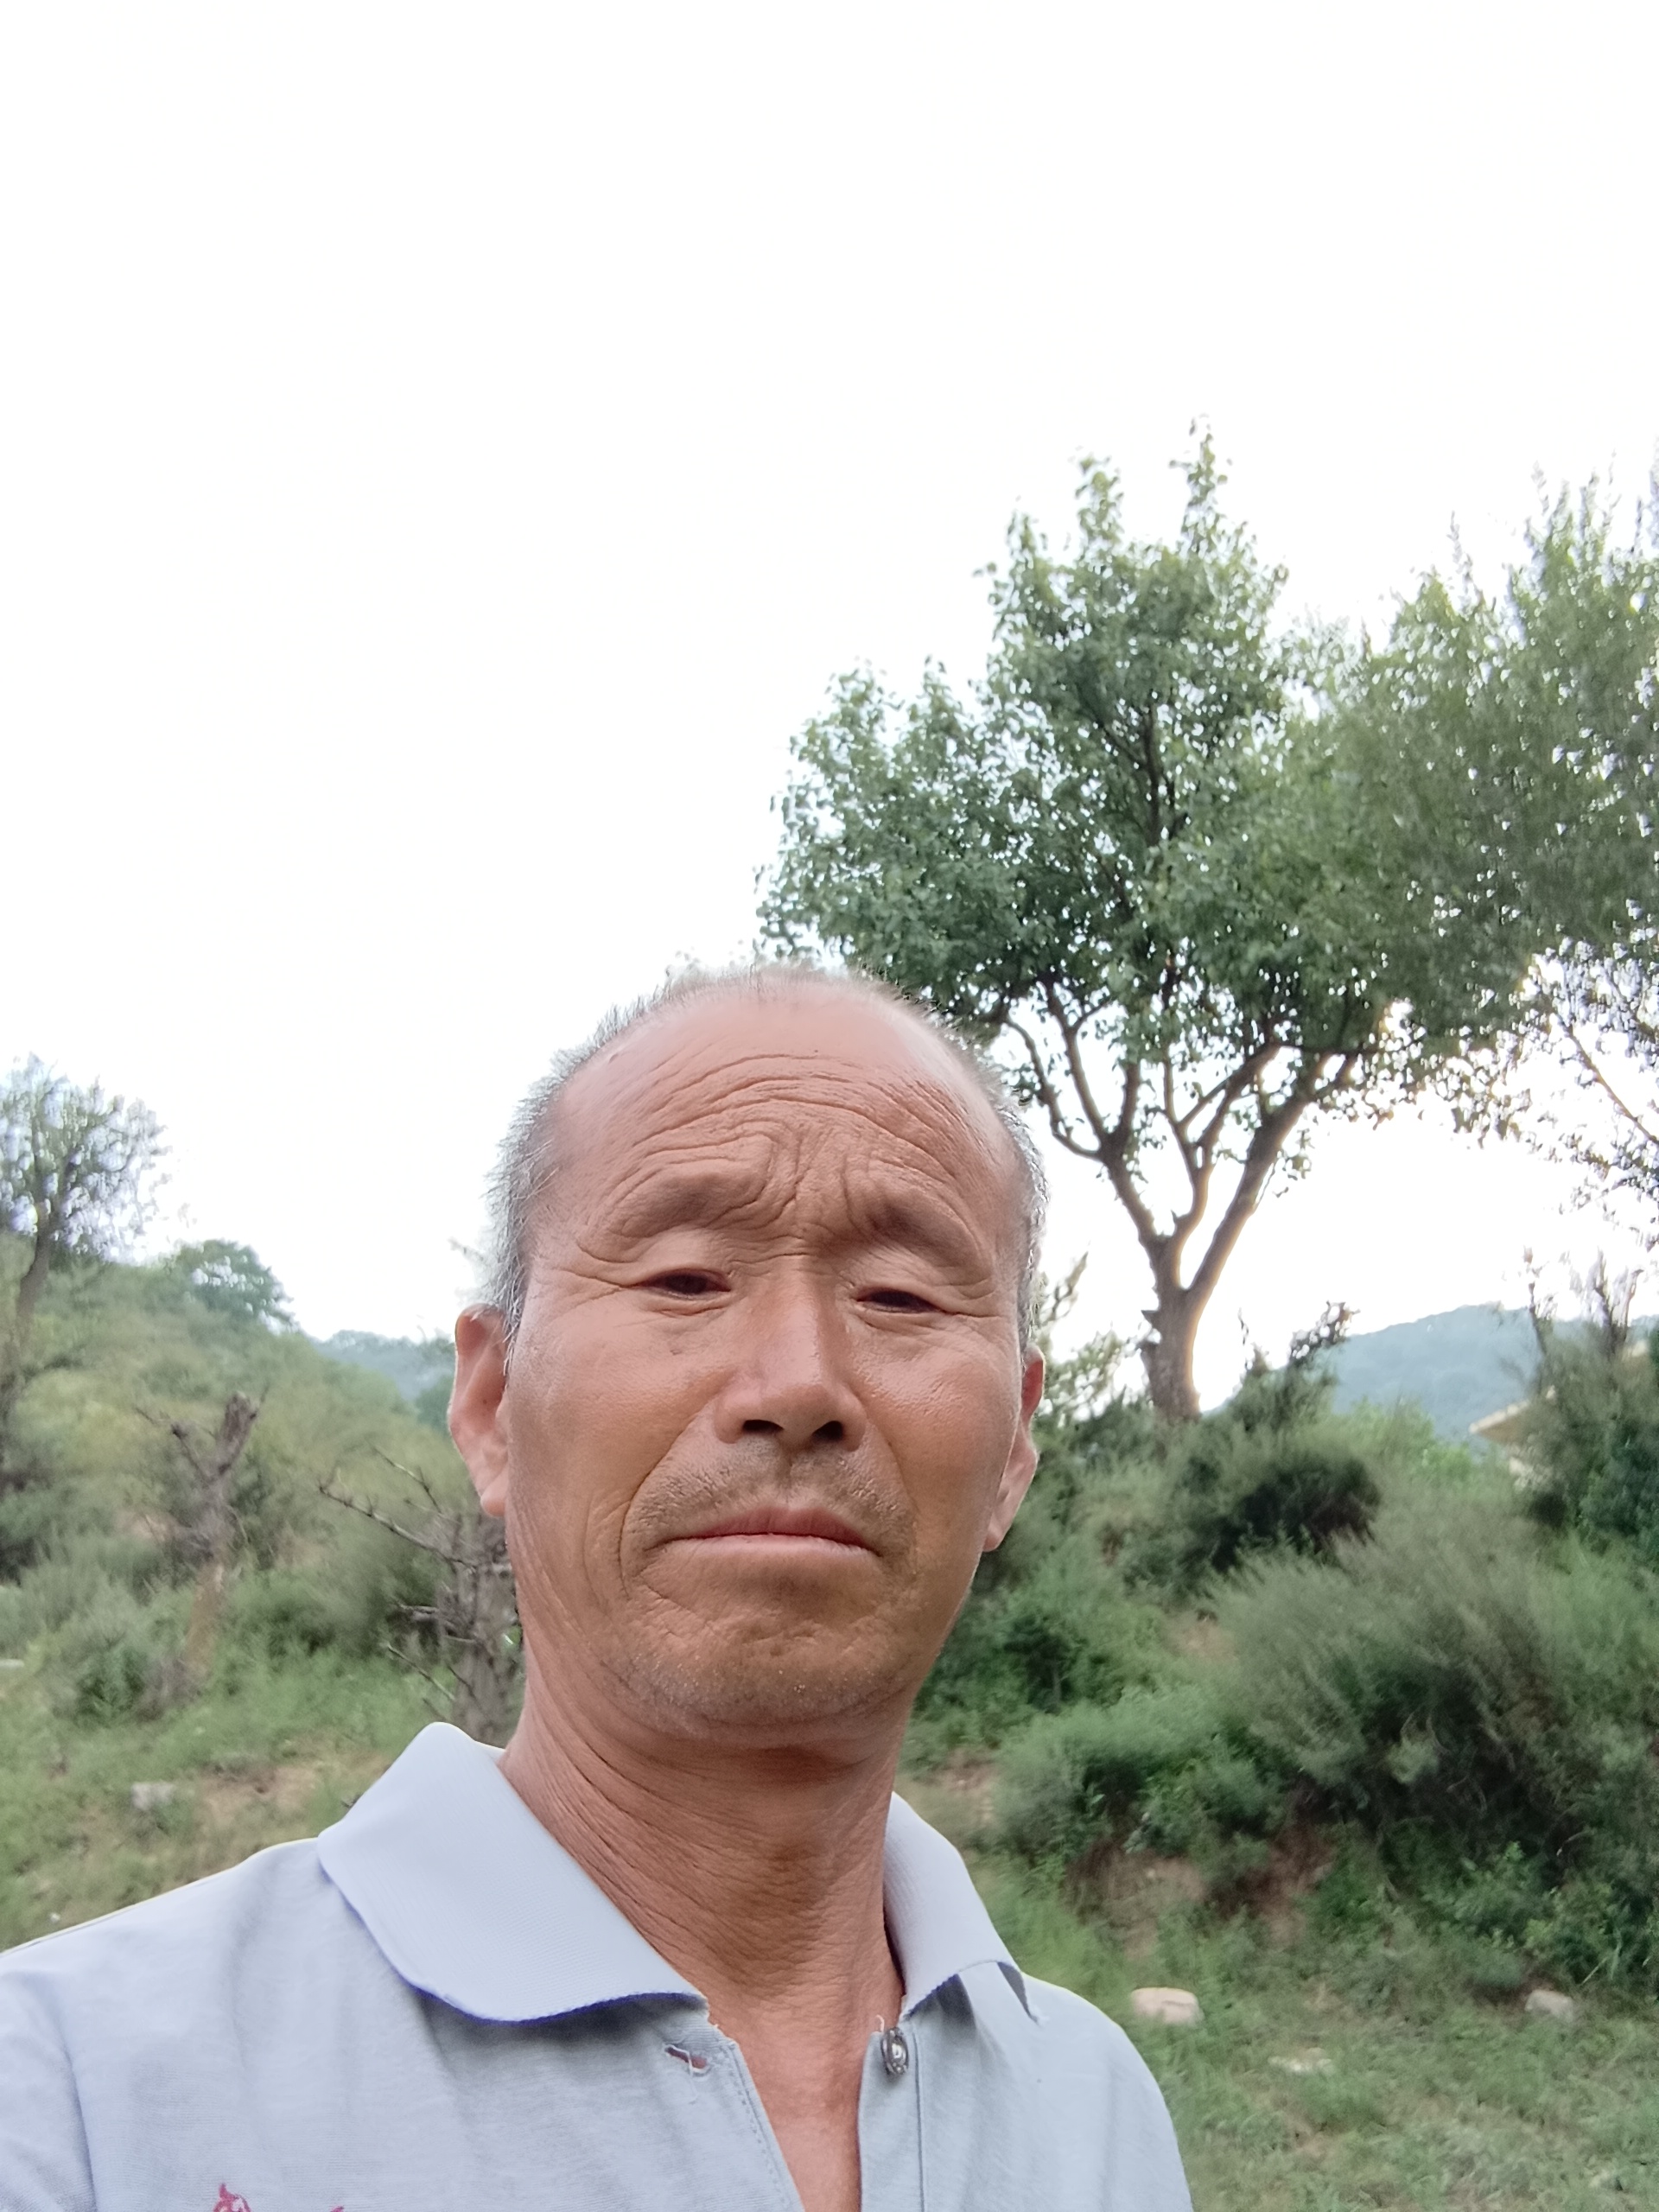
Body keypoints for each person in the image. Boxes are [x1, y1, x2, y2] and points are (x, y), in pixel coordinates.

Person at [0, 966, 1192, 2212]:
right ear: (491, 1404)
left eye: (899, 1294)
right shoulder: (78, 2099)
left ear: (1014, 1451)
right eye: (685, 1279)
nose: (799, 1383)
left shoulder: (1094, 2115)